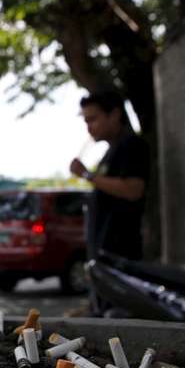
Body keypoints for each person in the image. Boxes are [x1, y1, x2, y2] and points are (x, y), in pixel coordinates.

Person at [69, 91, 149, 261]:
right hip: (104, 255)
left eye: (93, 119)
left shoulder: (131, 144)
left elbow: (133, 190)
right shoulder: (112, 151)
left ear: (114, 115)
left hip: (120, 255)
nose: (89, 127)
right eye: (86, 121)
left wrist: (86, 174)